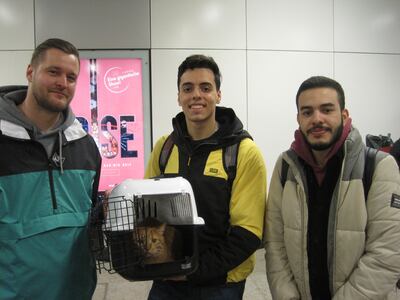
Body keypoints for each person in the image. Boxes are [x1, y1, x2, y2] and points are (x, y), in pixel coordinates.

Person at [264, 75, 400, 299]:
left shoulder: (378, 167)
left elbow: (387, 254)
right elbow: (275, 244)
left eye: (327, 110)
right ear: (298, 118)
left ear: (344, 115)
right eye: (307, 112)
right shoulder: (285, 166)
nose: (317, 119)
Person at [145, 54, 266, 299]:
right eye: (187, 88)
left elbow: (248, 233)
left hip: (221, 283)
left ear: (218, 95)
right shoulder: (164, 148)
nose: (196, 95)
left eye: (205, 87)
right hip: (168, 280)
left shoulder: (243, 152)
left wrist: (193, 271)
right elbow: (146, 215)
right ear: (179, 97)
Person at [0, 38, 102, 299]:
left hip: (76, 292)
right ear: (31, 72)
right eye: (53, 72)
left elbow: (87, 219)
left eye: (71, 77)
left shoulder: (86, 147)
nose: (63, 83)